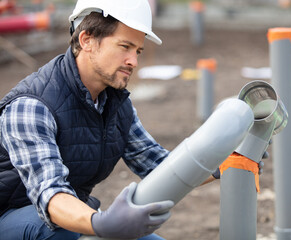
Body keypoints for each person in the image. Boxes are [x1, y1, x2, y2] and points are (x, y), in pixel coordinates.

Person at [0, 0, 189, 239]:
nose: (134, 61)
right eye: (125, 46)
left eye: (137, 51)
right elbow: (50, 195)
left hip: (66, 214)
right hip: (12, 218)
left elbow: (155, 162)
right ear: (86, 40)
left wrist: (224, 160)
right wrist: (102, 223)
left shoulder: (114, 102)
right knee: (57, 231)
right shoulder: (32, 106)